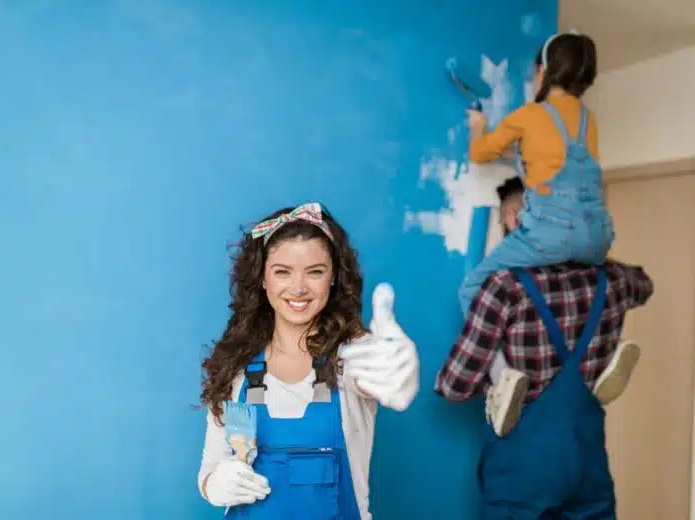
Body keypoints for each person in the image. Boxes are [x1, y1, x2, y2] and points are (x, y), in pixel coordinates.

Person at [458, 32, 641, 436]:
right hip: (594, 238)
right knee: (583, 293)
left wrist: (479, 126)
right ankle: (604, 356)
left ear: (544, 70)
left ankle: (503, 376)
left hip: (548, 235)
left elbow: (480, 152)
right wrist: (519, 153)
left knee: (473, 286)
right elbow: (554, 161)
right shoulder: (587, 120)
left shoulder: (529, 115)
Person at [197, 202, 420, 520]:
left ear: (333, 277)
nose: (299, 288)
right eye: (282, 272)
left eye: (315, 271)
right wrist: (216, 484)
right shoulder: (238, 368)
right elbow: (212, 465)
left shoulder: (351, 359)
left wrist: (398, 371)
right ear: (262, 278)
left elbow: (380, 373)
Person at [435, 247, 654, 517]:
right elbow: (645, 285)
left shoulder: (506, 286)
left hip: (522, 471)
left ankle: (505, 384)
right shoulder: (615, 279)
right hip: (588, 466)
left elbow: (454, 386)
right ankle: (601, 366)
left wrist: (493, 381)